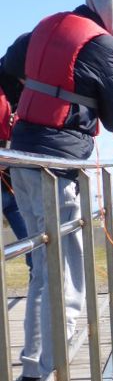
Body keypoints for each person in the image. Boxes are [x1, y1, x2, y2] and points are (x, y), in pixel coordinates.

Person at [3, 0, 113, 381]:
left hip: (23, 161)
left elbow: (5, 70)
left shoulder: (44, 28)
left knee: (43, 274)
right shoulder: (106, 46)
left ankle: (32, 377)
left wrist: (38, 96)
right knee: (67, 280)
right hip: (57, 170)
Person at [1, 71, 32, 271]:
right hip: (11, 183)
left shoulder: (12, 93)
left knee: (36, 247)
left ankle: (40, 298)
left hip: (12, 184)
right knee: (35, 248)